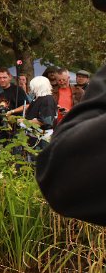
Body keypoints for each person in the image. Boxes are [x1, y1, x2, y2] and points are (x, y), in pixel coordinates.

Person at [36, 65, 106, 225]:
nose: (61, 82)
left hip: (74, 131)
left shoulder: (78, 92)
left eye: (63, 80)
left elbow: (60, 179)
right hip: (63, 128)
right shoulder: (52, 93)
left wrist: (74, 114)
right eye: (58, 80)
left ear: (68, 79)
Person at [0, 67, 28, 143]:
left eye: (4, 77)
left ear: (10, 77)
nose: (2, 80)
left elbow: (26, 105)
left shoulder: (17, 90)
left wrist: (12, 111)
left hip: (14, 125)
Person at [22, 76, 57, 156]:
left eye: (32, 86)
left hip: (42, 139)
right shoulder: (38, 98)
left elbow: (46, 121)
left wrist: (25, 121)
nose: (31, 88)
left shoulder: (47, 100)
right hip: (34, 136)